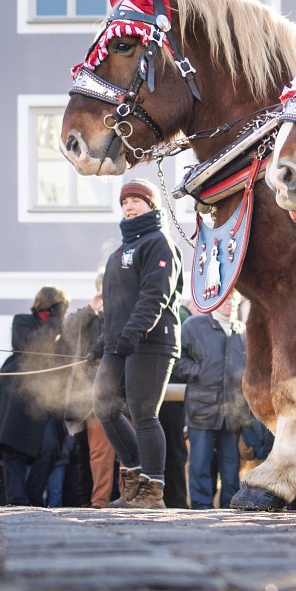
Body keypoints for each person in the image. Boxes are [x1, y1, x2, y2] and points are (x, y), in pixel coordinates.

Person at [93, 180, 182, 508]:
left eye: (136, 200)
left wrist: (132, 333)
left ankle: (152, 489)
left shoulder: (159, 242)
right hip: (119, 344)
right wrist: (101, 343)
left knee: (144, 413)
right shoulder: (118, 253)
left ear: (151, 206)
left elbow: (155, 295)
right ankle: (133, 477)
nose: (129, 206)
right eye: (124, 202)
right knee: (103, 407)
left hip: (151, 341)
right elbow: (115, 306)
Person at [0, 286, 71, 505]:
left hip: (46, 397)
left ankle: (34, 496)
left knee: (50, 447)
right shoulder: (23, 321)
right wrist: (54, 322)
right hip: (18, 394)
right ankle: (16, 500)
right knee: (13, 448)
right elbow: (31, 347)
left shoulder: (62, 329)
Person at [175, 292, 253, 507]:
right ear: (215, 300)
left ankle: (230, 508)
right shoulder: (193, 326)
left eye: (234, 300)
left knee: (231, 467)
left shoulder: (242, 331)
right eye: (226, 299)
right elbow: (177, 358)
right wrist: (197, 371)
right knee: (200, 464)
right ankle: (201, 508)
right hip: (202, 408)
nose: (230, 304)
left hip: (233, 413)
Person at [64, 270, 115, 507]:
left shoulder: (126, 310)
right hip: (93, 395)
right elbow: (68, 330)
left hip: (123, 390)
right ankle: (98, 501)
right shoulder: (87, 315)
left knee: (129, 452)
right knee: (99, 452)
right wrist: (92, 309)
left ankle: (130, 498)